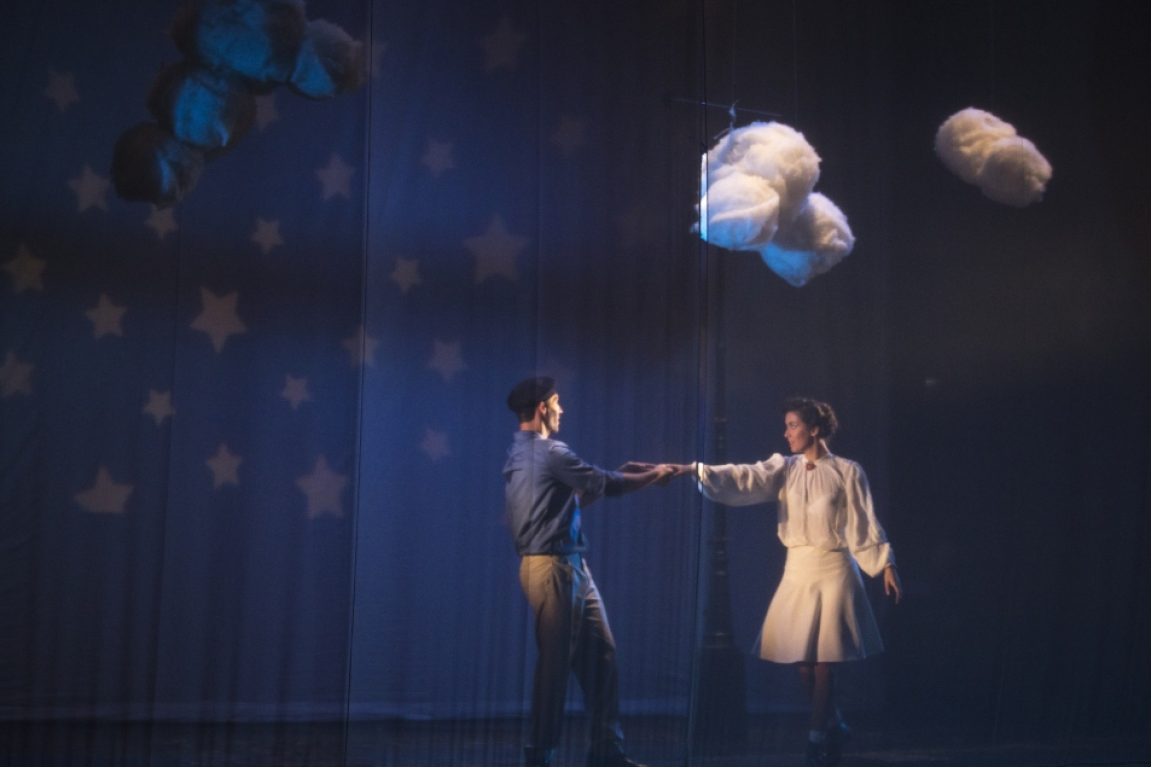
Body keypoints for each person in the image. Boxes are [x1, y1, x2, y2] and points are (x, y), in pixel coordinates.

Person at [667, 397, 901, 767]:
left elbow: (863, 520)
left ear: (814, 429)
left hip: (834, 567)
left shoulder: (847, 471)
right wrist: (693, 470)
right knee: (804, 664)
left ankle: (815, 740)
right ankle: (834, 723)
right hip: (799, 569)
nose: (786, 433)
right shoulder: (785, 468)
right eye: (787, 425)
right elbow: (745, 475)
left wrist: (884, 562)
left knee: (825, 662)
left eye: (793, 425)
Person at [504, 377, 675, 767]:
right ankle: (539, 756)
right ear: (543, 408)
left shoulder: (521, 453)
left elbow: (570, 503)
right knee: (556, 665)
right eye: (557, 402)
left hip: (569, 566)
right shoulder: (549, 452)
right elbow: (606, 484)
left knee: (601, 655)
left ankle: (606, 750)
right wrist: (653, 475)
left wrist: (620, 473)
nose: (562, 409)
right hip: (553, 569)